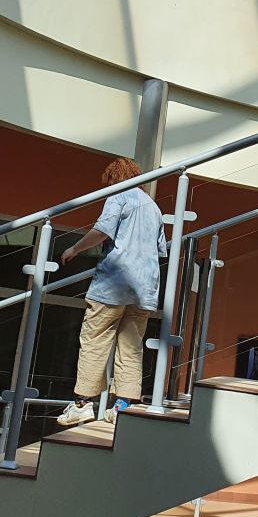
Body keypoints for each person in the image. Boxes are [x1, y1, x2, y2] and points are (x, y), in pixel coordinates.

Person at [56, 157, 166, 427]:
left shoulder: (119, 196)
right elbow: (160, 249)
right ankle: (122, 406)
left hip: (113, 285)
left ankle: (83, 404)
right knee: (131, 347)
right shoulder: (153, 207)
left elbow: (102, 231)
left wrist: (75, 249)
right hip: (144, 289)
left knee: (94, 340)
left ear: (114, 179)